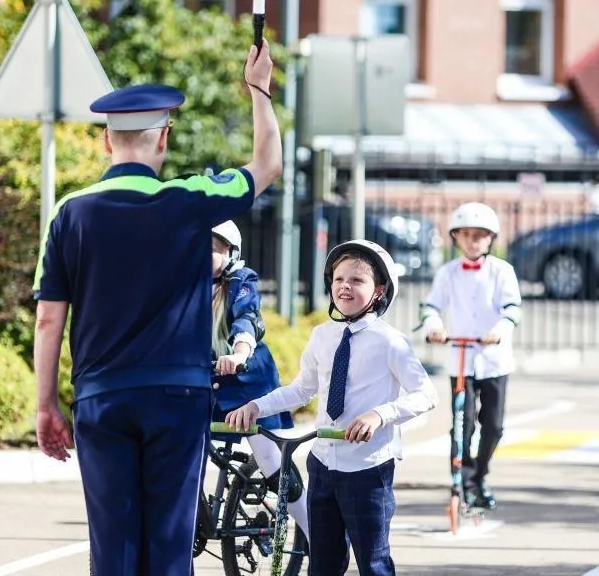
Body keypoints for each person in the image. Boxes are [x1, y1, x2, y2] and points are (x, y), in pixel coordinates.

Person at [31, 40, 282, 576]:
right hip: (177, 396)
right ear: (163, 137)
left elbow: (49, 317)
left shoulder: (69, 213)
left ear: (106, 141)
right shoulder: (189, 199)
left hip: (102, 395)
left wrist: (46, 404)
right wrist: (258, 90)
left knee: (113, 548)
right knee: (170, 546)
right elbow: (267, 164)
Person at [225, 240, 438, 576]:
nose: (345, 287)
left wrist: (380, 414)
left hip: (368, 468)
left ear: (379, 290)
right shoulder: (322, 336)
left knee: (373, 562)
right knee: (322, 562)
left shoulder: (390, 341)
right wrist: (255, 405)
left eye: (357, 280)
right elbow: (301, 389)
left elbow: (426, 394)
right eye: (339, 279)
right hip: (323, 463)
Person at [207, 219, 310, 542]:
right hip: (201, 384)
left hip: (248, 383)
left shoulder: (241, 281)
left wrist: (239, 354)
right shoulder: (180, 286)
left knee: (273, 464)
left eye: (210, 248)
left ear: (231, 252)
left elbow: (247, 319)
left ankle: (317, 538)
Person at [420, 202, 523, 511]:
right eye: (465, 234)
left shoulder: (502, 271)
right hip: (461, 357)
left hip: (494, 359)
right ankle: (463, 481)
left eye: (479, 235)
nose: (472, 241)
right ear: (455, 238)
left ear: (491, 238)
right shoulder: (447, 273)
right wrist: (434, 327)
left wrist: (499, 329)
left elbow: (512, 310)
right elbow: (432, 307)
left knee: (493, 426)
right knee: (463, 424)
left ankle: (480, 474)